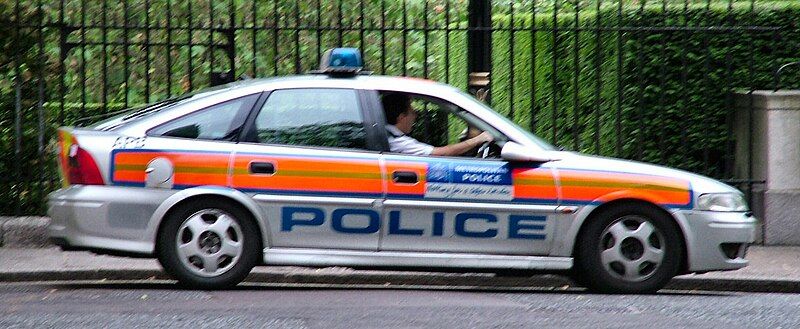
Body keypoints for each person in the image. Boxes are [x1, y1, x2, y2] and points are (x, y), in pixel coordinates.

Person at [382, 93, 493, 156]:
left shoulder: (387, 135)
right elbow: (441, 153)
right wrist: (478, 139)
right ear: (401, 117)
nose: (415, 116)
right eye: (412, 112)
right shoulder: (397, 142)